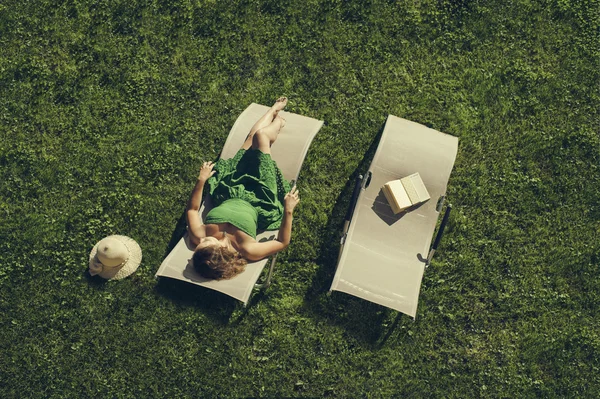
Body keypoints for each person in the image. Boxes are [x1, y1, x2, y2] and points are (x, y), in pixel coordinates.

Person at [186, 97, 300, 280]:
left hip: (231, 187)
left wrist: (201, 181)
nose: (200, 242)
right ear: (220, 252)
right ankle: (278, 122)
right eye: (205, 244)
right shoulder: (248, 249)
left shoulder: (199, 236)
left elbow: (192, 209)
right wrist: (288, 210)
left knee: (250, 139)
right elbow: (282, 242)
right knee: (260, 137)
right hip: (262, 196)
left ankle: (273, 111)